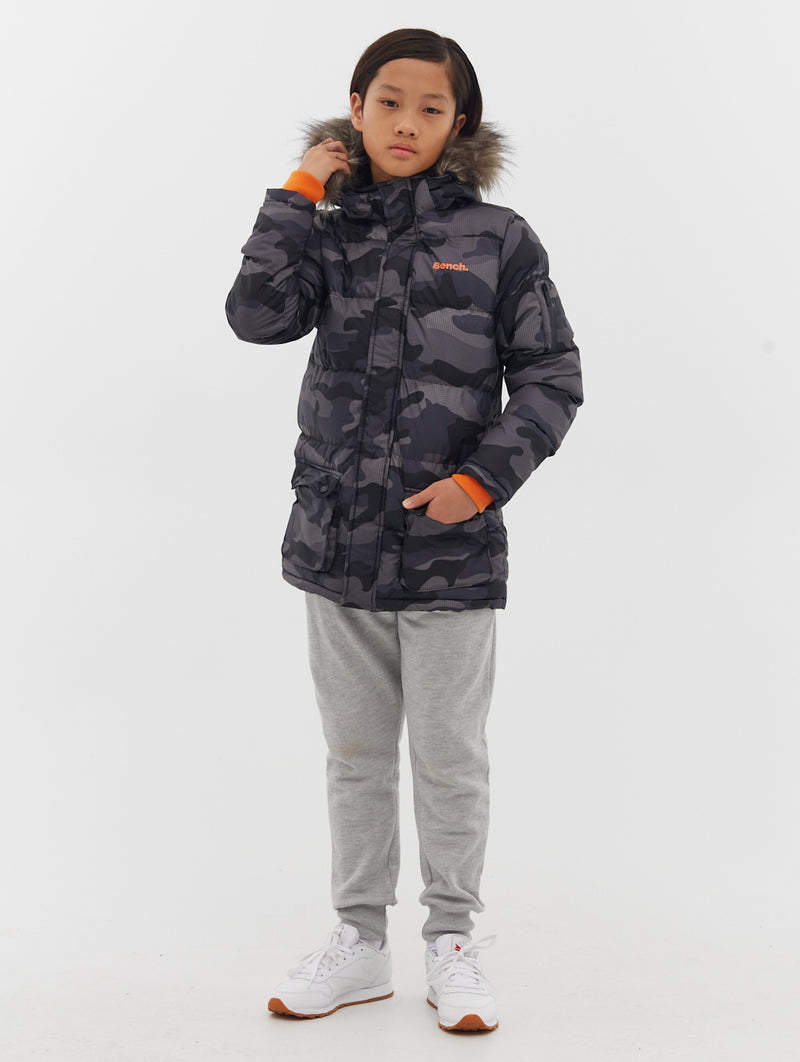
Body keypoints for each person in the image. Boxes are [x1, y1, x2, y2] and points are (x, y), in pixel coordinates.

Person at [225, 27, 582, 1033]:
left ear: (458, 123)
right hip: (334, 542)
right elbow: (255, 316)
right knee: (353, 756)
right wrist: (298, 190)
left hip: (448, 554)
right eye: (388, 102)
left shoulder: (498, 239)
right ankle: (359, 943)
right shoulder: (325, 228)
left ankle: (451, 941)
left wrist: (481, 482)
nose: (406, 123)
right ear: (357, 107)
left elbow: (552, 377)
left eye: (431, 108)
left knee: (448, 758)